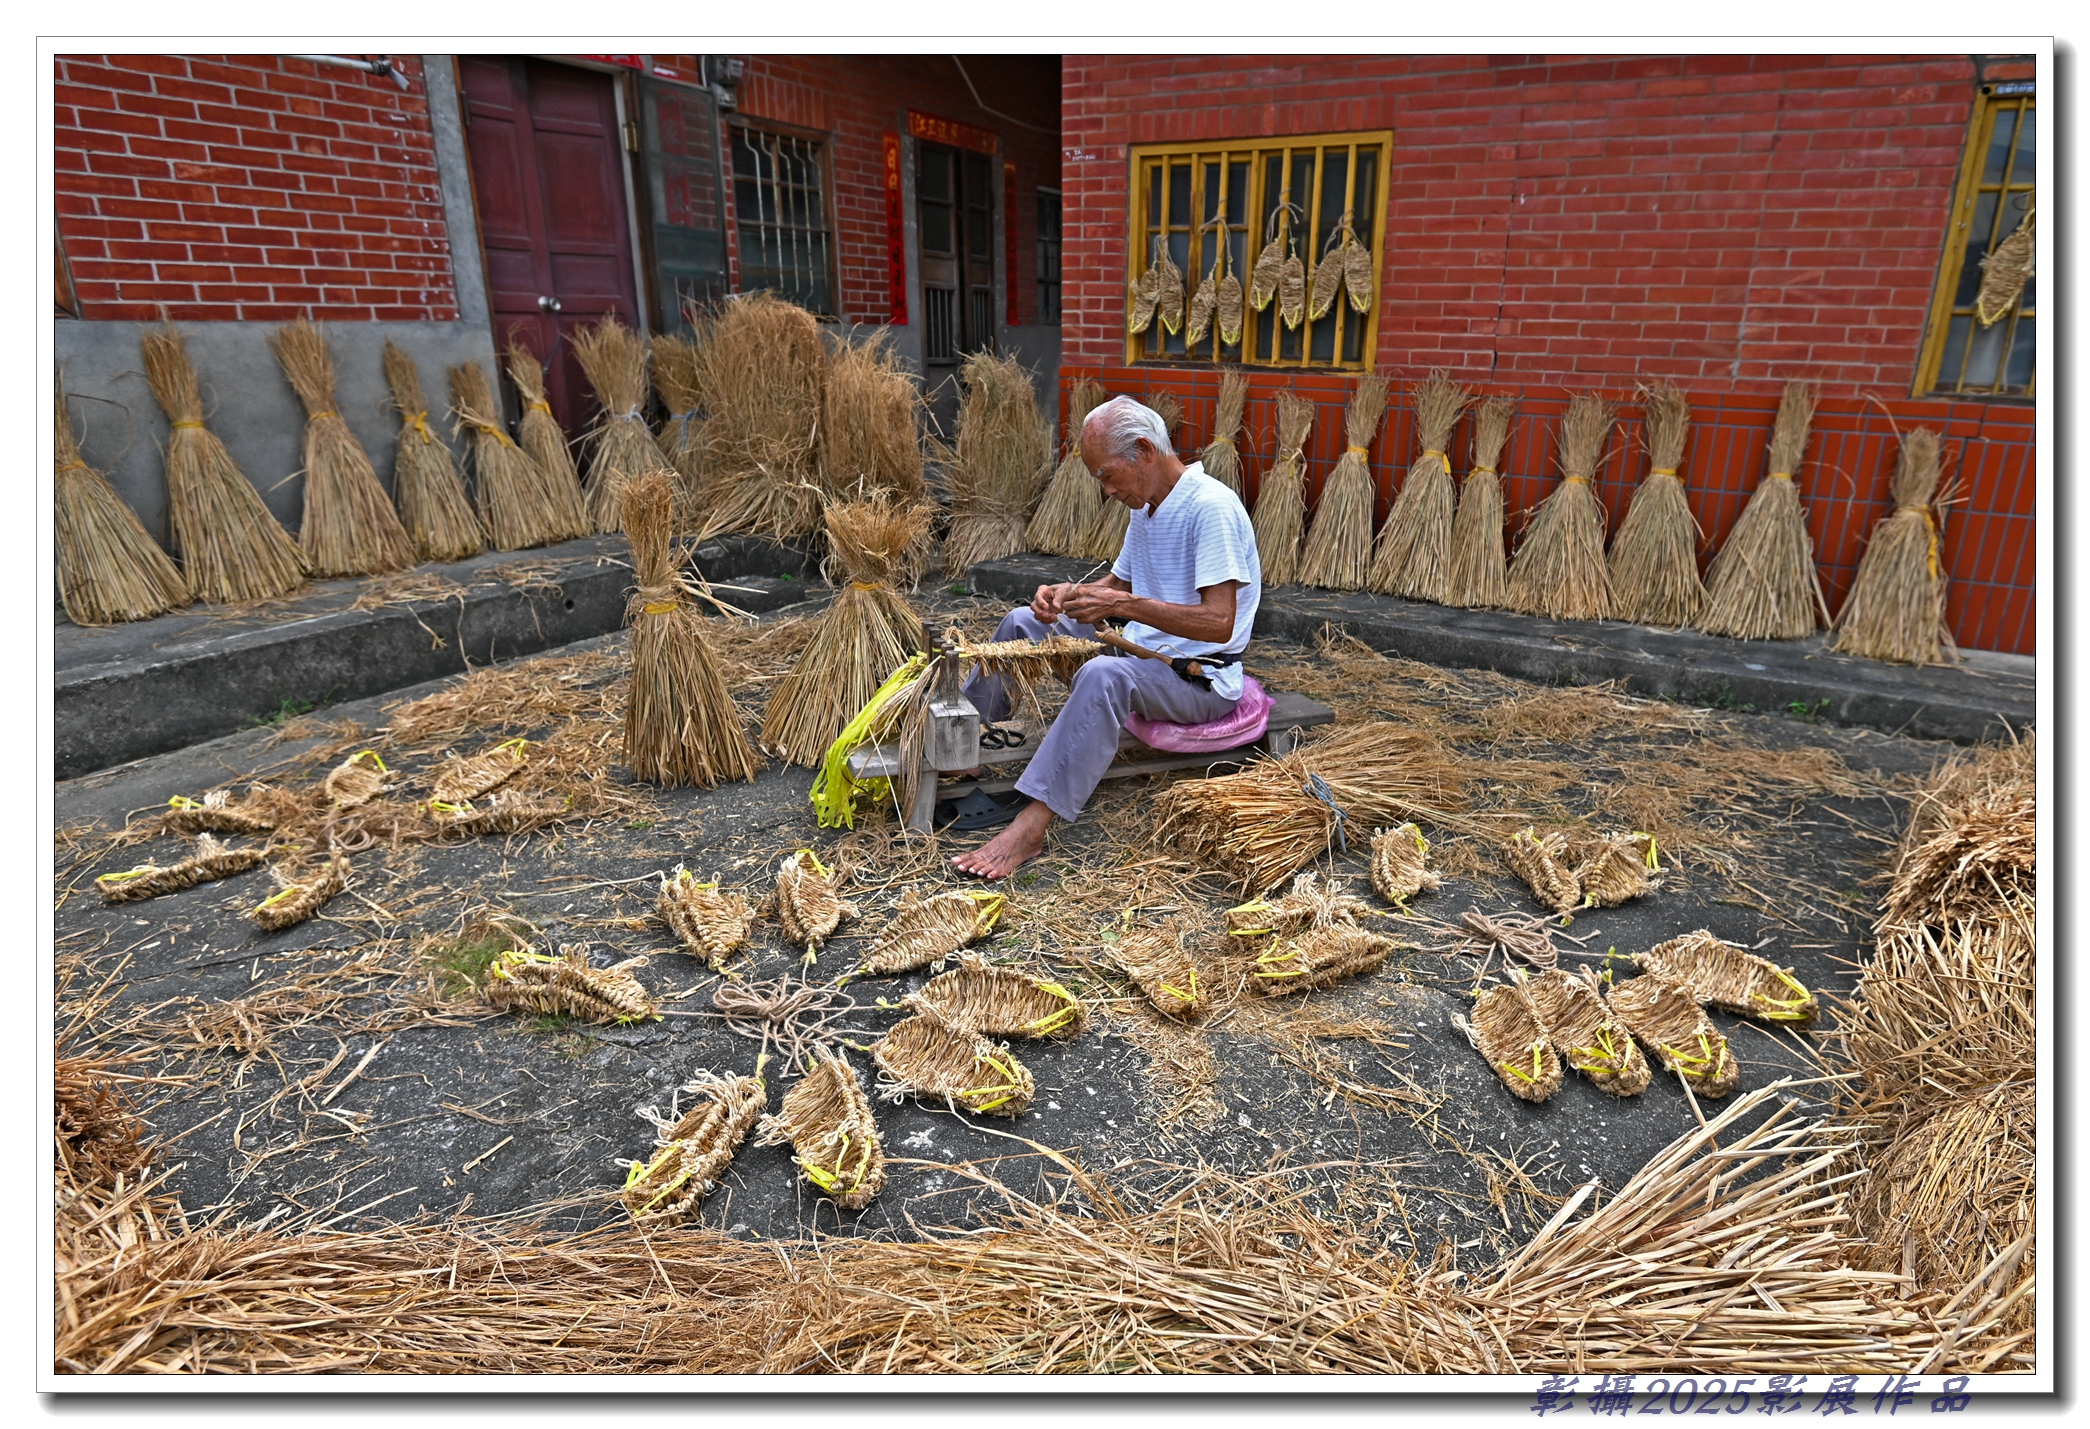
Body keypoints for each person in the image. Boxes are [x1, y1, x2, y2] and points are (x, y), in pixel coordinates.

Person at [951, 395, 1261, 880]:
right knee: (1023, 623)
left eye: (1108, 475)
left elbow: (1219, 622)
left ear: (1144, 451)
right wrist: (1067, 595)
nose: (1107, 490)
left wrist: (1120, 606)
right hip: (1141, 655)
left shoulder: (1210, 508)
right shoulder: (1148, 506)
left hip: (1199, 680)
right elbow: (1118, 584)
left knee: (1104, 674)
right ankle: (961, 750)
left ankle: (1031, 825)